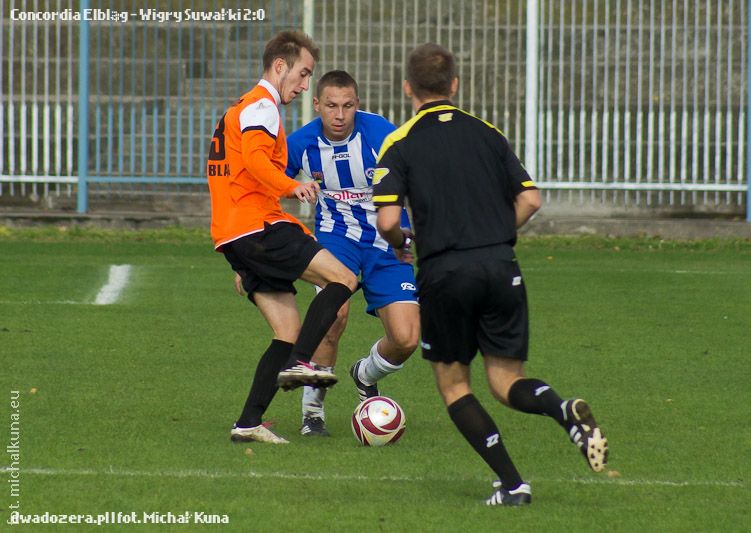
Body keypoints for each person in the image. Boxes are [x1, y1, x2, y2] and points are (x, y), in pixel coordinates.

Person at [373, 43, 609, 505]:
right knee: (505, 382)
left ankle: (514, 485)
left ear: (407, 88)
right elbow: (531, 200)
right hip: (502, 266)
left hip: (445, 272)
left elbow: (386, 221)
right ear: (454, 84)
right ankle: (562, 408)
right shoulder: (488, 132)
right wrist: (497, 234)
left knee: (454, 385)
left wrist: (402, 243)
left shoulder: (399, 142)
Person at [207, 30, 358, 445]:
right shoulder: (262, 106)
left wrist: (245, 255)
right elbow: (256, 160)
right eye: (303, 73)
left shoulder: (241, 107)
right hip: (259, 226)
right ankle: (302, 362)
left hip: (234, 234)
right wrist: (292, 186)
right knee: (343, 279)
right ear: (280, 66)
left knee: (288, 328)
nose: (306, 84)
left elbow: (236, 170)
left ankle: (248, 423)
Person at [286, 70, 420, 437]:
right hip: (336, 239)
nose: (340, 115)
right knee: (333, 317)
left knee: (406, 339)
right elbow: (267, 186)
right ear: (317, 105)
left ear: (357, 104)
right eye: (331, 106)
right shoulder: (300, 143)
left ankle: (365, 373)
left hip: (388, 242)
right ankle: (312, 413)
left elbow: (418, 180)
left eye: (347, 106)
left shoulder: (382, 134)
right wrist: (293, 188)